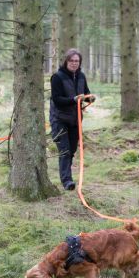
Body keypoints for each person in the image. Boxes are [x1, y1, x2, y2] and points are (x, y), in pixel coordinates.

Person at [50, 49, 94, 190]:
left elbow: (85, 92)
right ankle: (67, 181)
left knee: (72, 149)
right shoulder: (57, 77)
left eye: (77, 61)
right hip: (59, 119)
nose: (74, 63)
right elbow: (57, 100)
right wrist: (73, 100)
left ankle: (66, 176)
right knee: (65, 150)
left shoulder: (81, 76)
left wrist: (89, 97)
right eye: (72, 61)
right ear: (66, 61)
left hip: (75, 120)